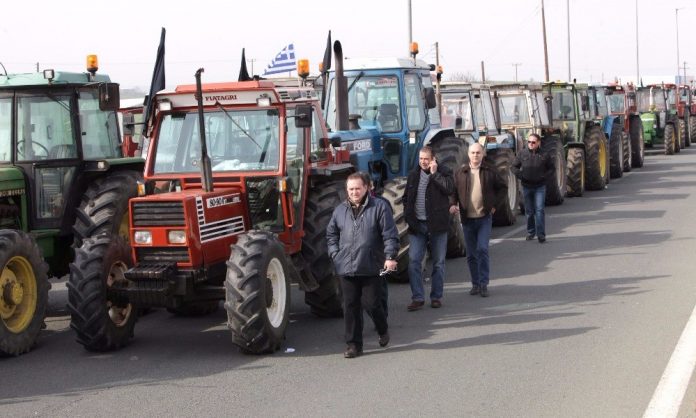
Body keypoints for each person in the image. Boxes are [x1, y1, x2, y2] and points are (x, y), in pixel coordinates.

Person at [326, 172, 399, 358]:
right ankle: (353, 345)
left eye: (358, 188)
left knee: (372, 304)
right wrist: (335, 254)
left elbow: (389, 234)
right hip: (347, 267)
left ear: (366, 188)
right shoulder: (340, 210)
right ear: (346, 191)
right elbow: (331, 235)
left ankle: (382, 329)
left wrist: (390, 256)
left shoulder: (380, 207)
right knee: (350, 307)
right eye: (351, 189)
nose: (354, 192)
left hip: (371, 265)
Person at [450, 143, 507, 298]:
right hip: (467, 219)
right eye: (473, 153)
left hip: (484, 218)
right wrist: (452, 204)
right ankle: (475, 284)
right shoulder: (460, 172)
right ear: (468, 154)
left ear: (483, 154)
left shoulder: (490, 171)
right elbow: (453, 191)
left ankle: (483, 284)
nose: (475, 156)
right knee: (471, 254)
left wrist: (495, 206)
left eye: (478, 153)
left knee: (482, 249)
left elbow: (503, 188)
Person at [403, 146, 454, 311]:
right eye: (421, 159)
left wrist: (435, 174)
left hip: (437, 226)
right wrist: (409, 218)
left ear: (433, 159)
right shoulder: (413, 175)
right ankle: (418, 297)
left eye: (426, 159)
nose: (423, 162)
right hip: (417, 226)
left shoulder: (444, 172)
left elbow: (449, 188)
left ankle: (436, 297)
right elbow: (406, 198)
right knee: (414, 262)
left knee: (438, 263)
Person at [512, 133, 554, 243]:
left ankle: (541, 235)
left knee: (539, 210)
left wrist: (544, 177)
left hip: (540, 187)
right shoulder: (522, 153)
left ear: (538, 143)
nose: (531, 144)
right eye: (529, 142)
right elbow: (513, 167)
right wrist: (521, 175)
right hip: (526, 187)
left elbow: (552, 169)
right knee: (529, 211)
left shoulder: (545, 154)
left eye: (533, 142)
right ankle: (531, 232)